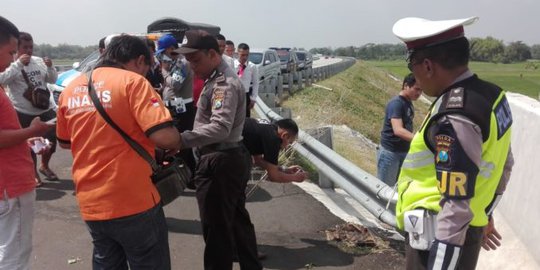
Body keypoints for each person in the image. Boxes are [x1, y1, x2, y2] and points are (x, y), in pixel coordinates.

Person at [392, 16, 514, 270]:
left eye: (411, 64)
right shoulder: (493, 96)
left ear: (427, 65)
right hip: (467, 229)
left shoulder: (454, 115)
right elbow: (504, 164)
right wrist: (486, 213)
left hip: (441, 240)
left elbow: (455, 204)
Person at [56, 35, 181, 269]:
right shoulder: (134, 83)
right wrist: (176, 138)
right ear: (139, 60)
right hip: (133, 199)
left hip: (90, 201)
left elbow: (64, 142)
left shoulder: (72, 88)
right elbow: (165, 137)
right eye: (148, 65)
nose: (146, 72)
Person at [176, 29, 262, 270]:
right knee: (236, 221)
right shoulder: (216, 78)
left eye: (195, 60)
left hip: (220, 159)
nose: (192, 67)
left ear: (212, 54)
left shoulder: (224, 84)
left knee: (216, 230)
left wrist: (181, 140)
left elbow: (220, 128)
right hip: (226, 158)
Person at [0, 15, 54, 270]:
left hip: (7, 183)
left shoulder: (37, 65)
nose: (13, 58)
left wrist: (27, 136)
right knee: (15, 254)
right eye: (11, 52)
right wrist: (29, 132)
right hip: (9, 185)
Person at [0, 31, 58, 186]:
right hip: (22, 111)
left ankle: (44, 166)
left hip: (44, 109)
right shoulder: (10, 64)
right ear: (17, 48)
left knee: (51, 141)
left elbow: (51, 79)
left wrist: (51, 68)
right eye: (25, 47)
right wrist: (18, 64)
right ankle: (33, 175)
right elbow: (2, 79)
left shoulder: (38, 61)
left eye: (31, 47)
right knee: (28, 146)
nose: (29, 51)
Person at [377, 73, 422, 186]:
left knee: (399, 188)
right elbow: (398, 130)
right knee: (385, 189)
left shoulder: (408, 102)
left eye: (421, 90)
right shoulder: (396, 103)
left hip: (403, 151)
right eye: (416, 89)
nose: (419, 93)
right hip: (391, 153)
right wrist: (420, 140)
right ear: (406, 85)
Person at [243, 118, 308, 183]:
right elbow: (274, 176)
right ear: (285, 136)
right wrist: (295, 177)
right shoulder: (274, 139)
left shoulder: (267, 127)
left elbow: (258, 160)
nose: (287, 147)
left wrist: (285, 170)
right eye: (290, 143)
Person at [234, 43, 259, 118]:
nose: (244, 57)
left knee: (245, 119)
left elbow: (256, 83)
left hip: (245, 95)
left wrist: (253, 98)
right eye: (242, 55)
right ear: (237, 53)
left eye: (246, 55)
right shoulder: (232, 65)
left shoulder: (252, 66)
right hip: (233, 94)